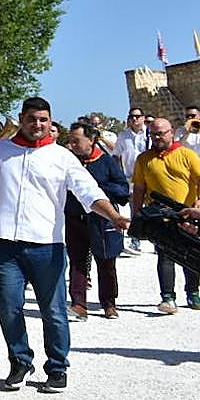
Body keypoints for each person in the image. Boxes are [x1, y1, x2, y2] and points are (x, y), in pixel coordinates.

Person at [0, 97, 126, 393]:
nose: (37, 124)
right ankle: (20, 360)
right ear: (21, 119)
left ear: (50, 122)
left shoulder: (62, 157)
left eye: (43, 120)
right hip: (4, 246)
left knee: (53, 311)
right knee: (8, 307)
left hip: (46, 247)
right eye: (31, 119)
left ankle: (57, 366)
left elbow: (88, 191)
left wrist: (114, 215)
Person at [133, 118, 200, 313]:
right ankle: (167, 297)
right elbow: (139, 187)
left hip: (187, 212)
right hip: (159, 215)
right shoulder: (144, 159)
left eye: (161, 133)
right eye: (153, 134)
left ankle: (193, 293)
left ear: (171, 132)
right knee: (165, 254)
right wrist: (136, 211)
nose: (157, 137)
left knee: (191, 254)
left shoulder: (186, 154)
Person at [63, 122, 128, 320]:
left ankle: (109, 303)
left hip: (102, 220)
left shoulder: (107, 162)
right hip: (75, 218)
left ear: (91, 140)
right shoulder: (68, 161)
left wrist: (95, 188)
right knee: (77, 261)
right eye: (70, 141)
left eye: (76, 141)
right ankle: (78, 304)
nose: (72, 145)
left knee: (106, 261)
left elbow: (123, 190)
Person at [114, 107, 150, 253]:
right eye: (131, 117)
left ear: (143, 118)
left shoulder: (149, 134)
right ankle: (136, 239)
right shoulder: (123, 136)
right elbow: (116, 155)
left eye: (137, 116)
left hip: (149, 175)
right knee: (135, 207)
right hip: (131, 176)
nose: (134, 119)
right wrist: (118, 174)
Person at [176, 105, 200, 212]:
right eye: (187, 116)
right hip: (189, 171)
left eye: (193, 116)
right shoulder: (180, 131)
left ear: (199, 116)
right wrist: (187, 132)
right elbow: (177, 146)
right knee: (191, 198)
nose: (190, 118)